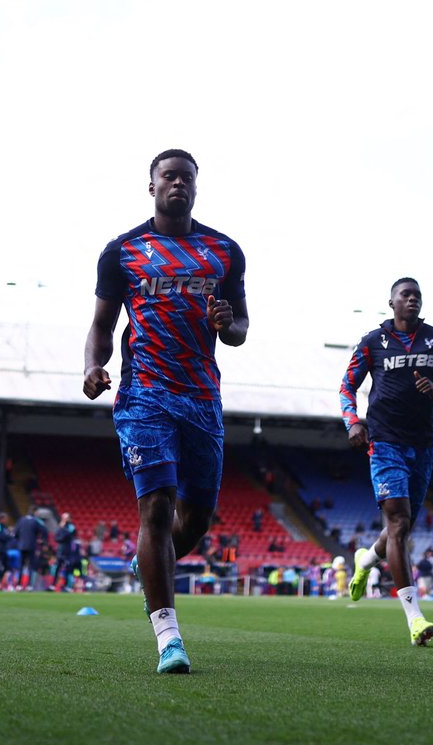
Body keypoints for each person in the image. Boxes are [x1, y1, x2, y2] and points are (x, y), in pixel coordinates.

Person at [83, 149, 248, 674]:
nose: (177, 183)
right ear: (151, 186)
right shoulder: (123, 252)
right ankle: (168, 638)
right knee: (155, 507)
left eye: (186, 177)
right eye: (167, 176)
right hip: (144, 394)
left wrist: (228, 323)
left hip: (201, 398)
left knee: (194, 520)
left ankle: (150, 562)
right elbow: (103, 326)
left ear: (197, 188)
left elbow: (242, 328)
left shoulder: (224, 252)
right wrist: (92, 366)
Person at [341, 278, 433, 645]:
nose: (411, 300)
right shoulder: (373, 342)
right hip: (384, 442)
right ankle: (415, 619)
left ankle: (366, 560)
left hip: (424, 445)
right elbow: (347, 386)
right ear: (392, 303)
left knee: (403, 525)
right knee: (397, 522)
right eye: (405, 295)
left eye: (417, 296)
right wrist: (353, 422)